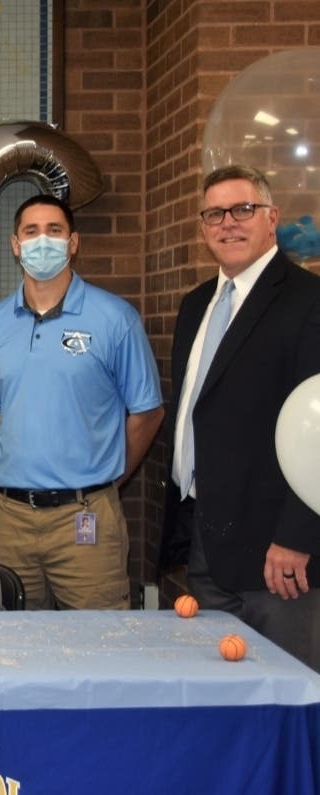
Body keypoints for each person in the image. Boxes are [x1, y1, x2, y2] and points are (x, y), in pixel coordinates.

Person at [162, 165, 320, 670]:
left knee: (287, 691)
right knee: (222, 693)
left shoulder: (308, 301)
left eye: (243, 209)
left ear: (271, 218)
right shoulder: (195, 306)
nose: (228, 223)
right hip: (208, 539)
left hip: (279, 552)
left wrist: (297, 537)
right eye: (214, 214)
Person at [0, 194, 164, 610]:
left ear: (73, 242)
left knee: (99, 651)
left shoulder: (115, 318)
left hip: (86, 518)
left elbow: (147, 412)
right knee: (14, 651)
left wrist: (107, 479)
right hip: (11, 519)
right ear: (15, 244)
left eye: (55, 231)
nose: (44, 241)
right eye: (32, 231)